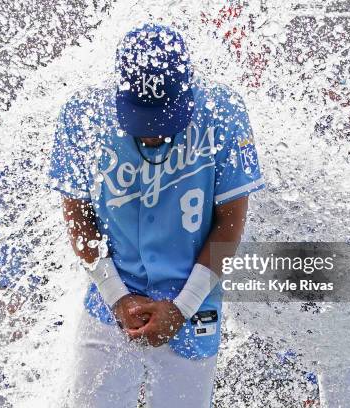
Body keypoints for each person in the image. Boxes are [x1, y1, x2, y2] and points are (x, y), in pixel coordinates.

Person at [49, 23, 265, 407]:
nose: (150, 135)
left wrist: (181, 308)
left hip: (194, 302)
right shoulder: (81, 115)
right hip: (109, 296)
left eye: (163, 121)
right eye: (138, 119)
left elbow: (231, 222)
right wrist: (119, 299)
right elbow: (78, 221)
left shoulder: (224, 112)